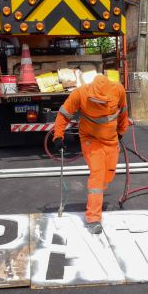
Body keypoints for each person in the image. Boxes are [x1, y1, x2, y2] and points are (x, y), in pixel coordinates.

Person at [52, 74, 128, 234]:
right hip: (90, 139)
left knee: (109, 174)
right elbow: (63, 115)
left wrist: (121, 131)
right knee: (98, 174)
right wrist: (58, 135)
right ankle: (93, 218)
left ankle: (97, 201)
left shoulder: (118, 90)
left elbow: (123, 112)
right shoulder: (80, 94)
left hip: (111, 139)